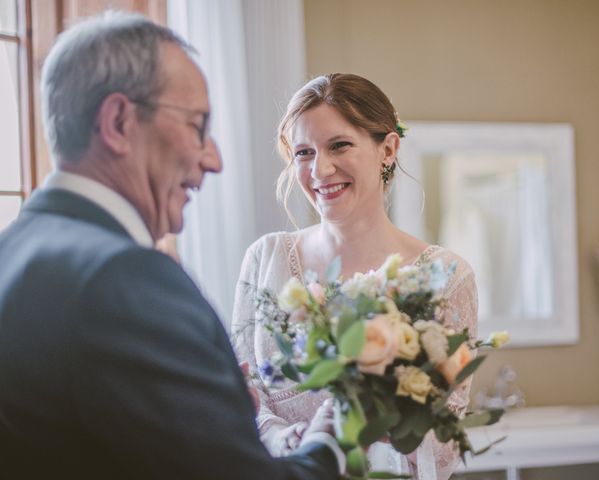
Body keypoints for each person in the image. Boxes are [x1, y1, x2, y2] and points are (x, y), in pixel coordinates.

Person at [0, 12, 344, 480]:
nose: (215, 159)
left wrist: (213, 417)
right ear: (119, 121)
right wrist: (328, 444)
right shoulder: (124, 278)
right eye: (197, 125)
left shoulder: (12, 251)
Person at [232, 73, 478, 480]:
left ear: (388, 148)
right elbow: (243, 393)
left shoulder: (447, 276)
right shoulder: (264, 259)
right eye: (304, 152)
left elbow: (446, 445)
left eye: (339, 145)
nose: (320, 169)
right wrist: (280, 440)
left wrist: (369, 426)